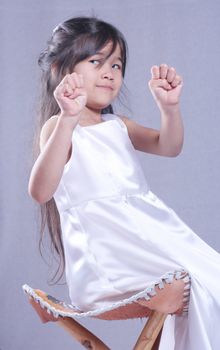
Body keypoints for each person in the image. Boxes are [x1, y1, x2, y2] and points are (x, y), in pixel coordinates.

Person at [28, 16, 220, 349]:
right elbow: (41, 191)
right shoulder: (60, 128)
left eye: (116, 65)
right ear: (61, 68)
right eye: (96, 61)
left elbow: (168, 146)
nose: (109, 72)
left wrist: (169, 109)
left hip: (148, 237)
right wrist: (68, 119)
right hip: (109, 258)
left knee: (211, 275)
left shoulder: (118, 126)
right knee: (201, 277)